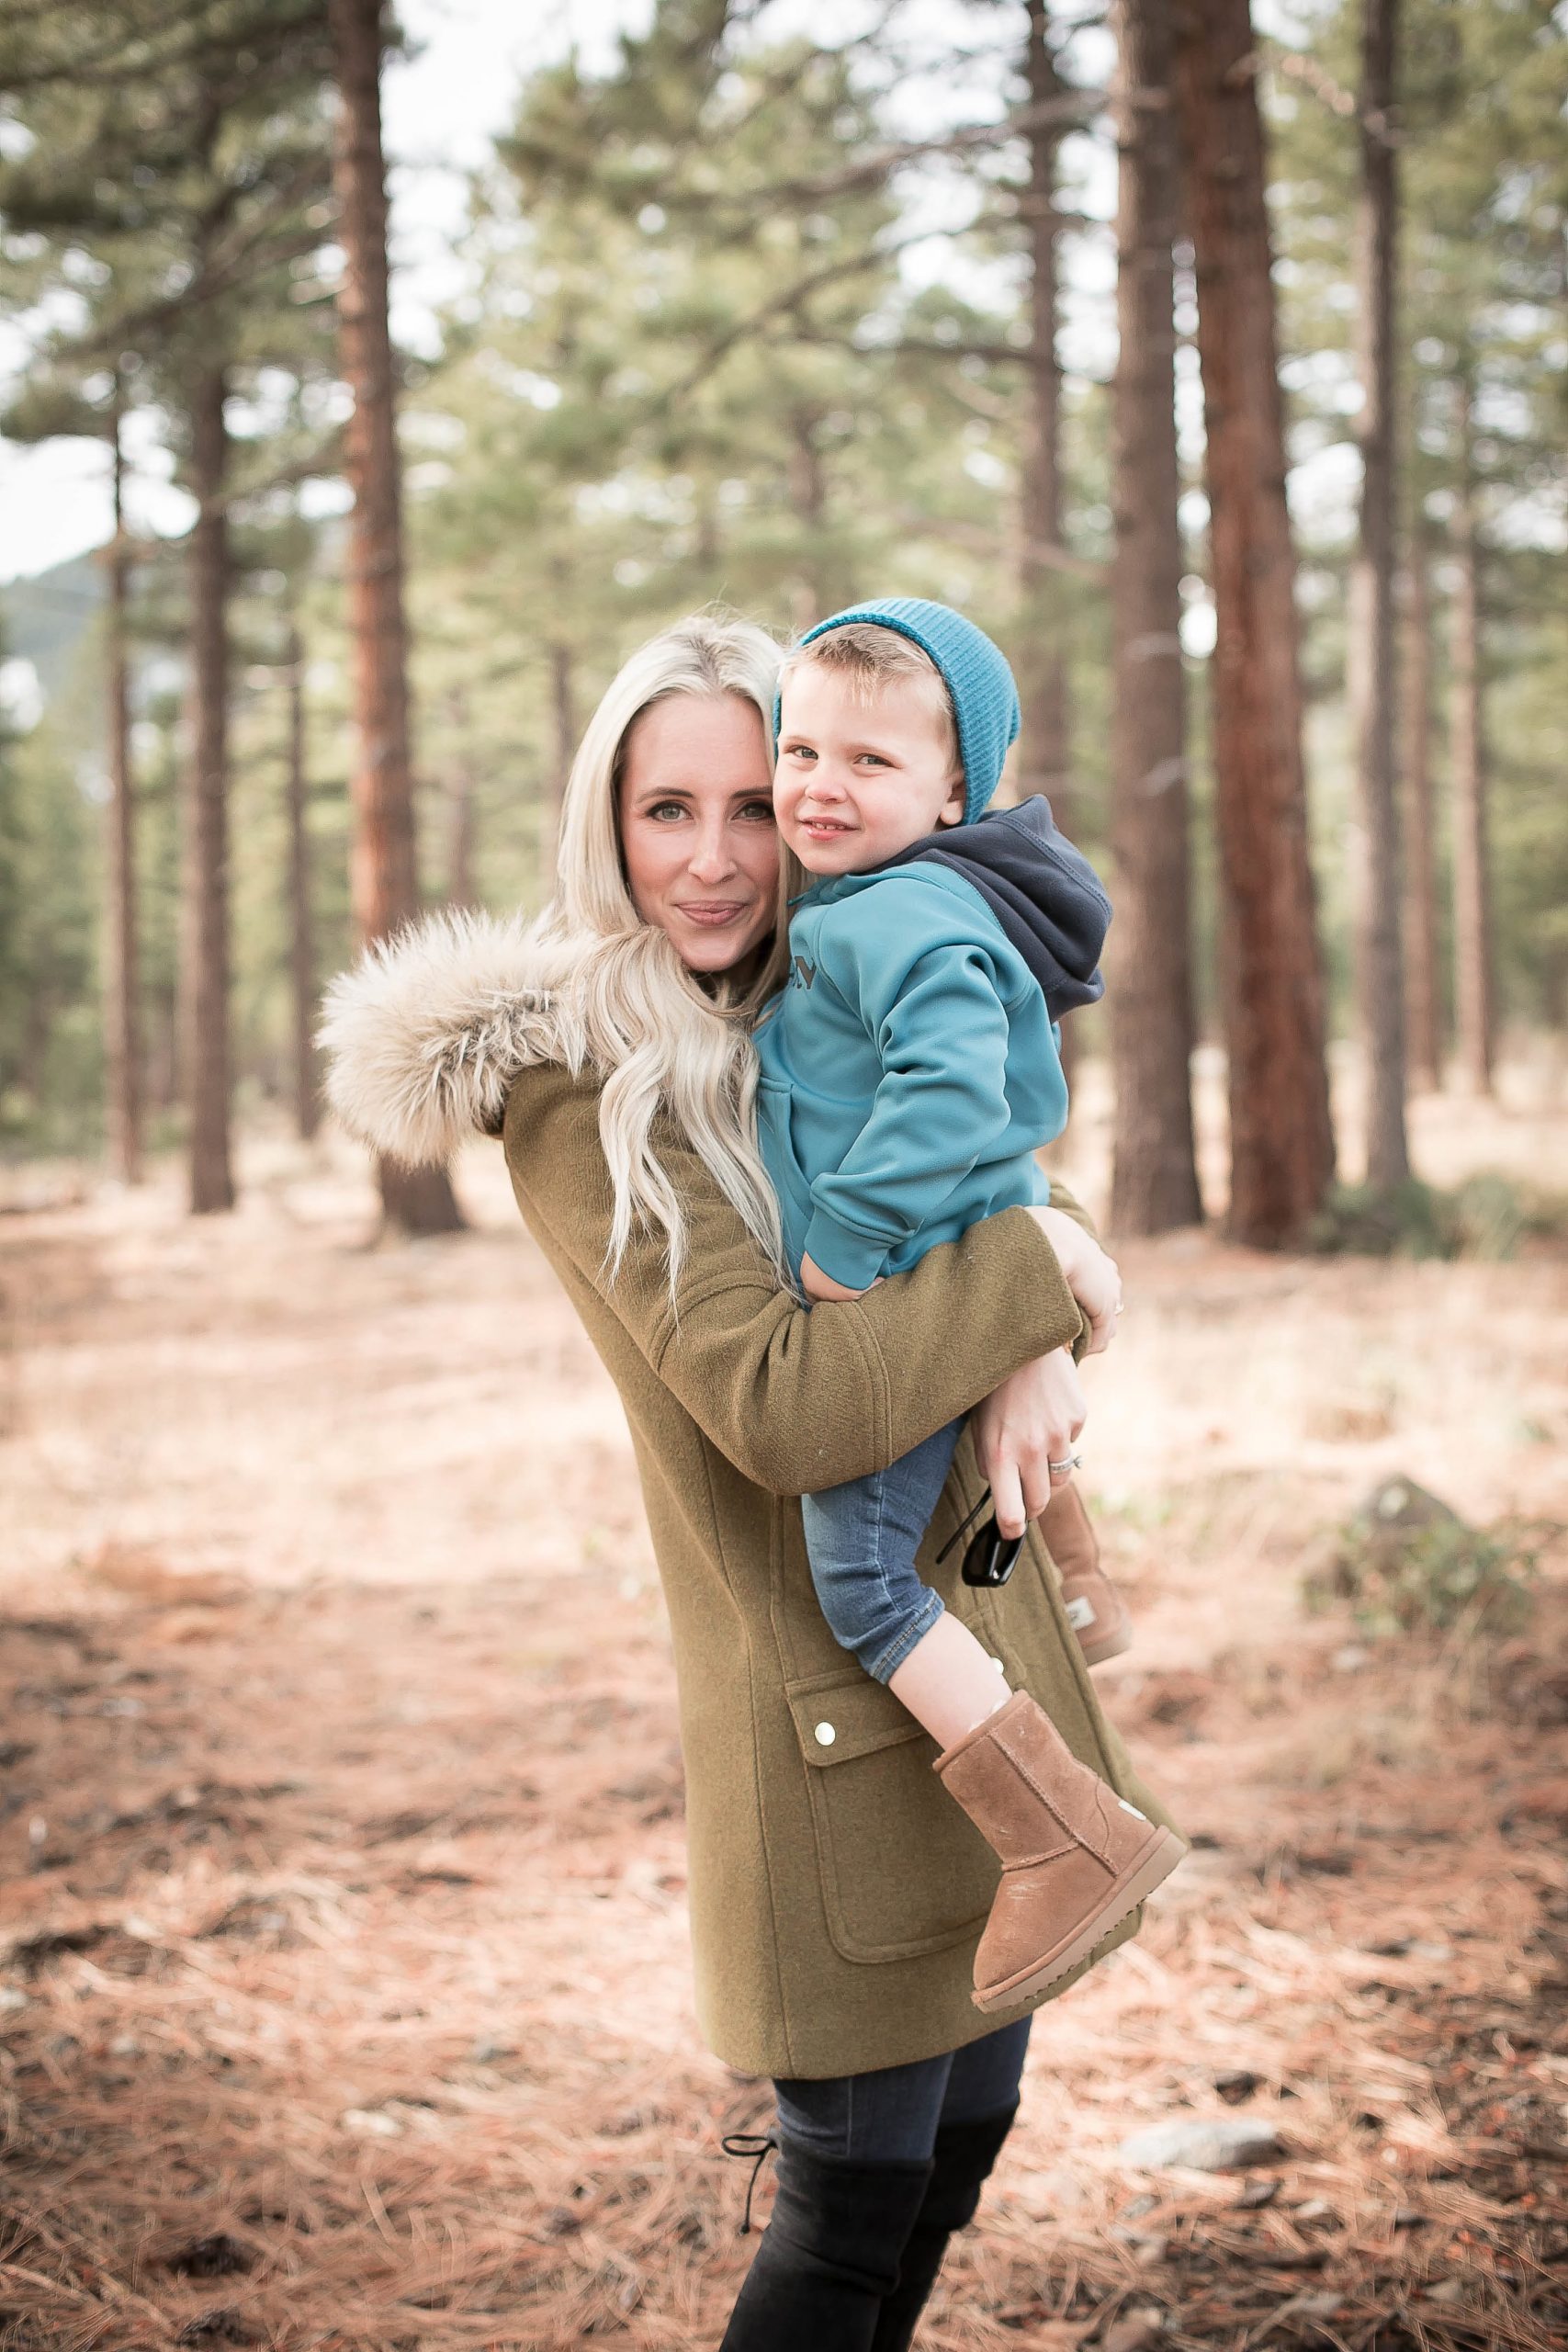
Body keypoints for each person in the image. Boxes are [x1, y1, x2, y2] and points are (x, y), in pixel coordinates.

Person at [321, 615, 1179, 2352]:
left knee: (960, 2156)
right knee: (845, 2224)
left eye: (749, 804)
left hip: (983, 1695)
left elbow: (1005, 1169)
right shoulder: (585, 1092)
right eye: (667, 810)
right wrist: (1036, 1282)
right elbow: (787, 1411)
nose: (716, 858)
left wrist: (1041, 1295)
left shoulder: (839, 975)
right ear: (606, 823)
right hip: (826, 1727)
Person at [759, 601, 1183, 2019]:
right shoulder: (901, 899)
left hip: (910, 1290)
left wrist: (843, 1243)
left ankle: (1067, 1839)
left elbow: (951, 1089)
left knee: (866, 1583)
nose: (821, 786)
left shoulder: (895, 914)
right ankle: (1078, 1573)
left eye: (869, 762)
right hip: (972, 1252)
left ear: (955, 793)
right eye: (801, 750)